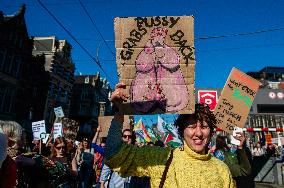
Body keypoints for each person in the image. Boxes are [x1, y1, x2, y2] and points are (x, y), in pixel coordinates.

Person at [104, 83, 235, 188]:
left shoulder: (222, 170)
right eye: (192, 126)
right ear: (182, 131)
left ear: (211, 132)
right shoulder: (160, 158)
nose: (199, 133)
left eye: (204, 127)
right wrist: (119, 111)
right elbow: (114, 154)